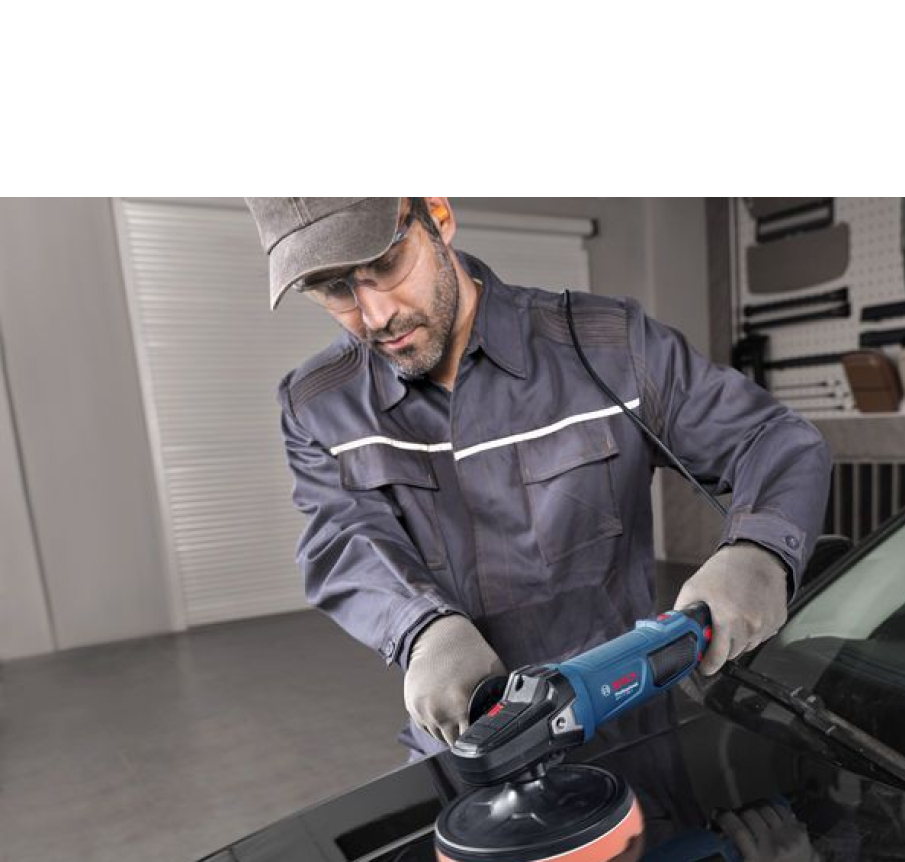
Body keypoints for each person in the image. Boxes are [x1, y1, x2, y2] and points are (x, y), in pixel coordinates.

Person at [245, 197, 831, 762]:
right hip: (472, 747)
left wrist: (759, 548)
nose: (374, 316)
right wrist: (422, 629)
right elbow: (344, 539)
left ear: (437, 215)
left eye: (385, 263)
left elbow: (770, 438)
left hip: (626, 722)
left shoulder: (611, 348)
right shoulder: (319, 407)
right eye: (333, 288)